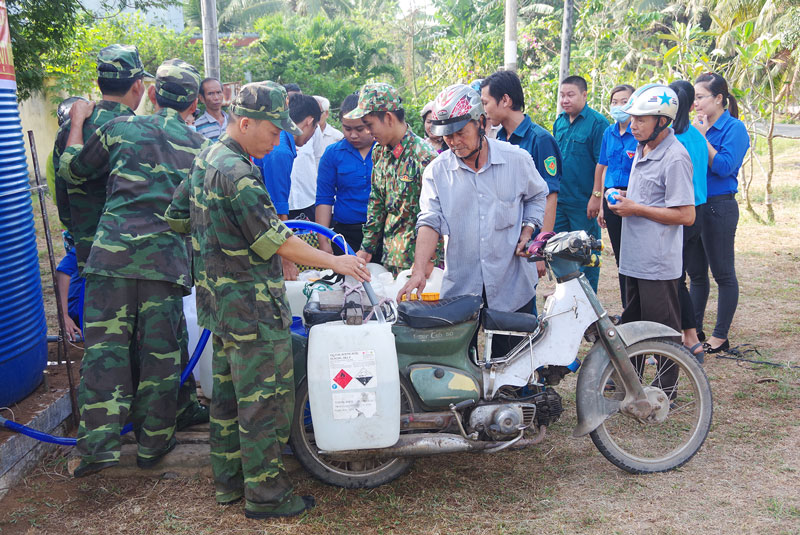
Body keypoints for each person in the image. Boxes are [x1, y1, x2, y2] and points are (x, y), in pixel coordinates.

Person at [165, 81, 370, 519]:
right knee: (262, 402)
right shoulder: (238, 173)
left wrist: (218, 243)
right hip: (252, 308)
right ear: (244, 122)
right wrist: (338, 264)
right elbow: (277, 242)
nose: (278, 140)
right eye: (273, 131)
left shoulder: (207, 157)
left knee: (226, 398)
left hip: (219, 305)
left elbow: (177, 216)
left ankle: (230, 482)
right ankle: (267, 496)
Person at [59, 59, 210, 477]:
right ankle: (154, 444)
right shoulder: (200, 146)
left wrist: (76, 123)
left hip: (111, 260)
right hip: (165, 264)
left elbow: (72, 171)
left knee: (105, 355)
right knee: (160, 356)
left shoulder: (119, 129)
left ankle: (97, 450)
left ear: (153, 94)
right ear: (193, 102)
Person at [397, 84, 548, 358]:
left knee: (515, 364)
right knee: (460, 366)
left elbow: (538, 197)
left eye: (460, 133)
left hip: (510, 282)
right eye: (447, 137)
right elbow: (429, 222)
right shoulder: (437, 172)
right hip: (462, 286)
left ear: (480, 123)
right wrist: (419, 269)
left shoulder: (517, 160)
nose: (454, 142)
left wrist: (529, 230)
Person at [610, 84, 695, 393]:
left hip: (657, 262)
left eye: (641, 120)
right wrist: (625, 199)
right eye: (632, 119)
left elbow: (686, 215)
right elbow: (648, 198)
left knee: (662, 331)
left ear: (662, 121)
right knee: (632, 326)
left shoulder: (675, 158)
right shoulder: (644, 148)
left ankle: (665, 391)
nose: (633, 125)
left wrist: (637, 208)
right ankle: (630, 385)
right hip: (634, 258)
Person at [52, 45, 149, 272]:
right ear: (138, 85)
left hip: (91, 253)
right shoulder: (143, 131)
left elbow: (63, 199)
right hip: (139, 256)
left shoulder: (69, 129)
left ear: (98, 84)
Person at [345, 82, 439, 275]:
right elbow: (377, 202)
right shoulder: (380, 151)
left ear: (388, 118)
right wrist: (367, 247)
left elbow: (440, 215)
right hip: (391, 257)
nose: (368, 132)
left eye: (369, 125)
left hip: (419, 264)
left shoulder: (424, 157)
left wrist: (431, 260)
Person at [480, 70, 561, 287]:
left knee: (523, 300)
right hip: (506, 238)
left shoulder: (540, 140)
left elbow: (549, 195)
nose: (483, 109)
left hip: (528, 237)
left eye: (486, 102)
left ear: (505, 100)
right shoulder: (497, 139)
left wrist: (540, 245)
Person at [690, 72, 750, 354]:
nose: (696, 103)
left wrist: (702, 139)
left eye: (701, 97)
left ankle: (720, 336)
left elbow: (724, 167)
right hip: (697, 205)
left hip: (720, 205)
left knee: (723, 273)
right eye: (695, 98)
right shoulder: (696, 127)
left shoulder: (734, 128)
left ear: (718, 98)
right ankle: (694, 331)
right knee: (696, 275)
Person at [253, 93, 320, 279]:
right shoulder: (280, 150)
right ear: (309, 122)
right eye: (315, 129)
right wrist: (287, 260)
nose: (311, 137)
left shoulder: (282, 143)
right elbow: (278, 209)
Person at [553, 75, 609, 292]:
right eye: (562, 95)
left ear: (584, 95)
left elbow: (602, 163)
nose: (565, 100)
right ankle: (566, 294)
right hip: (560, 200)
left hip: (584, 201)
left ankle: (588, 300)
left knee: (587, 253)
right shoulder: (559, 122)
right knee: (559, 251)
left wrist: (596, 197)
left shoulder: (598, 124)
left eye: (570, 95)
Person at [670, 80, 708, 362]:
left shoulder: (671, 139)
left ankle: (689, 336)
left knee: (673, 278)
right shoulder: (696, 135)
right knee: (680, 276)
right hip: (700, 210)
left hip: (680, 212)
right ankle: (687, 336)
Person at [315, 93, 376, 255]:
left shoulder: (385, 151)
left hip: (380, 233)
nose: (353, 135)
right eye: (347, 129)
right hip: (346, 233)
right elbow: (324, 198)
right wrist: (323, 240)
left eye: (360, 129)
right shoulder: (333, 154)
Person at [595, 84, 637, 306]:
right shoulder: (609, 133)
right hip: (611, 201)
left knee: (635, 258)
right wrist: (601, 204)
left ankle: (637, 307)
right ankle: (627, 307)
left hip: (634, 200)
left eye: (624, 101)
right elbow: (604, 167)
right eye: (614, 102)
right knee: (621, 258)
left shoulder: (639, 133)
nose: (618, 106)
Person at [313, 95, 344, 166]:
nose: (314, 117)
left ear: (326, 114)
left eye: (318, 113)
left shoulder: (337, 137)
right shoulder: (302, 137)